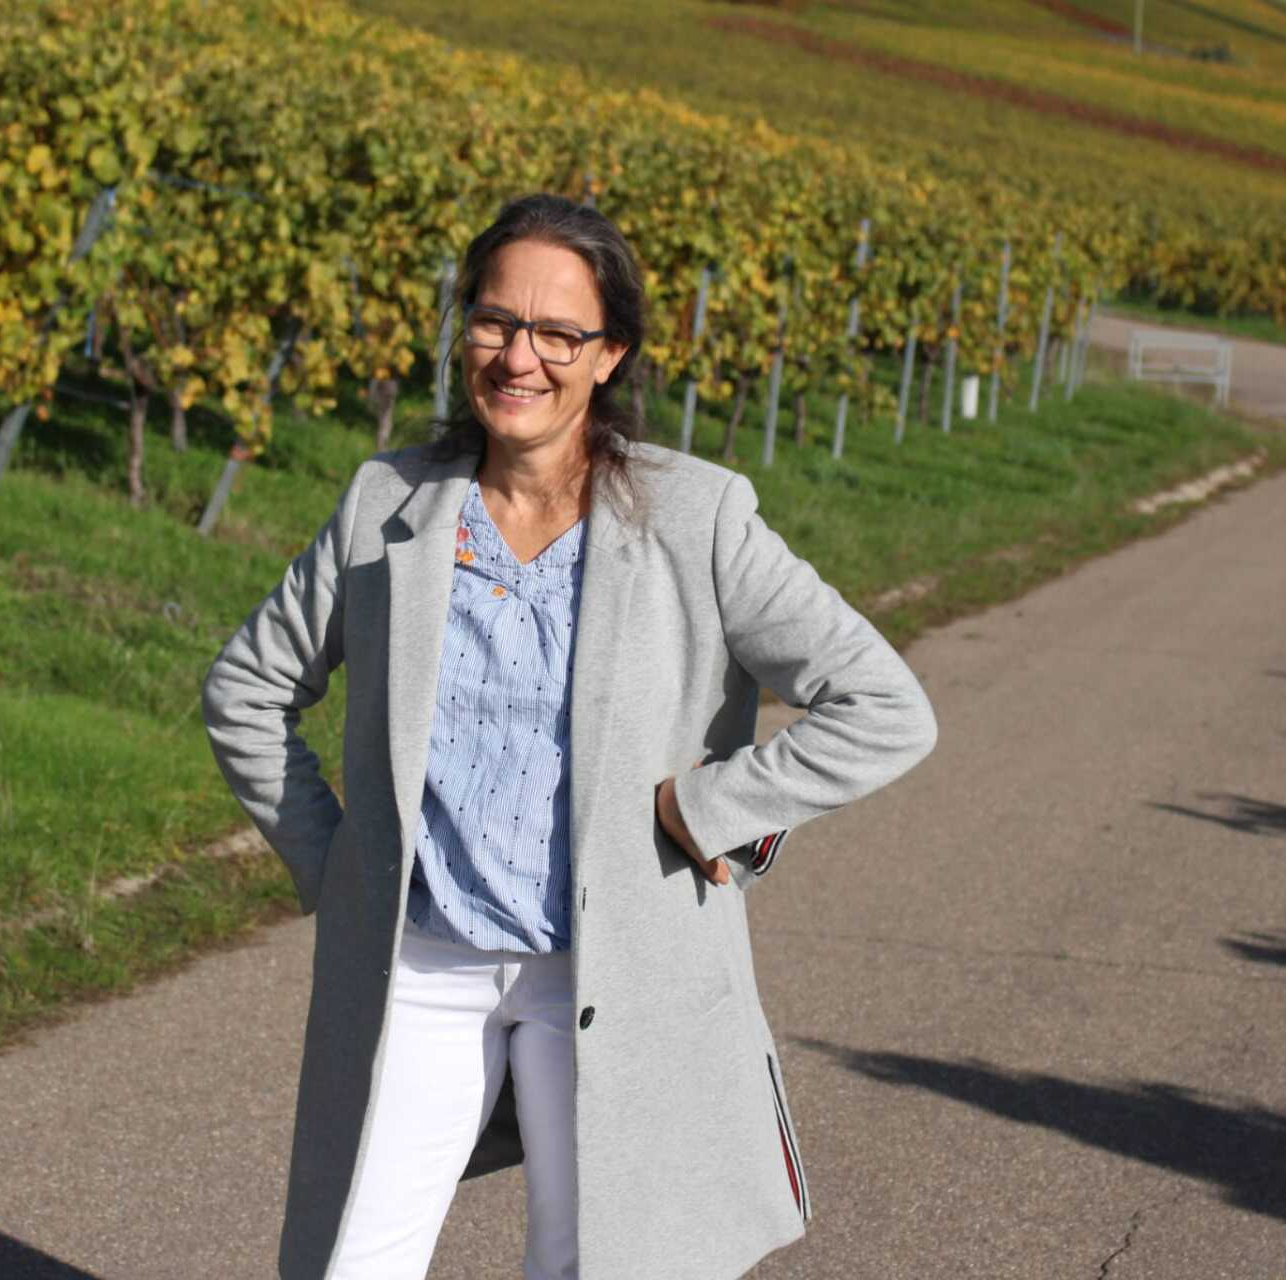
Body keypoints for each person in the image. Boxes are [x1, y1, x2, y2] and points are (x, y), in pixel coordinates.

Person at [202, 193, 937, 1280]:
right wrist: (340, 865)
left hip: (612, 970)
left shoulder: (698, 518)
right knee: (349, 1261)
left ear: (610, 354)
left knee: (588, 1262)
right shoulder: (387, 503)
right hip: (422, 963)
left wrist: (712, 811)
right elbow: (246, 689)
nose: (519, 358)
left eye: (557, 333)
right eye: (495, 321)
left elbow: (883, 707)